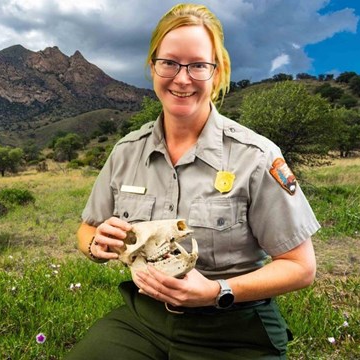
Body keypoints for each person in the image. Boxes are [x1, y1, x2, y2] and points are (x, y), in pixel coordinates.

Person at [66, 3, 319, 360]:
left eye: (198, 65)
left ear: (217, 73)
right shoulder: (126, 152)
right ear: (152, 67)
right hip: (145, 318)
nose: (182, 78)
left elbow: (300, 267)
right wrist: (96, 244)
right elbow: (86, 229)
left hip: (233, 325)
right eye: (169, 62)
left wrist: (216, 291)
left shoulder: (255, 155)